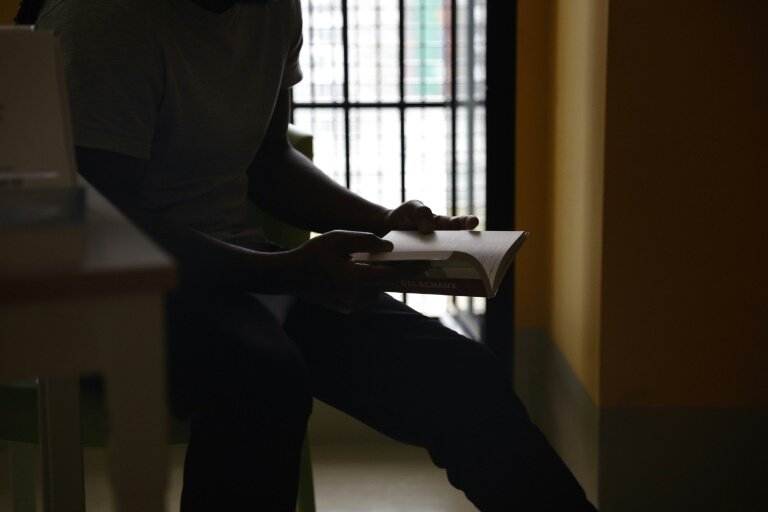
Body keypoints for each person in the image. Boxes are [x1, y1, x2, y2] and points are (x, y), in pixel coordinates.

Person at [24, 0, 599, 510]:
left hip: (240, 270)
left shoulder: (271, 10)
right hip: (113, 289)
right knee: (264, 382)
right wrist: (284, 272)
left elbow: (267, 163)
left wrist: (383, 223)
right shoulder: (103, 18)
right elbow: (105, 220)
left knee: (460, 376)